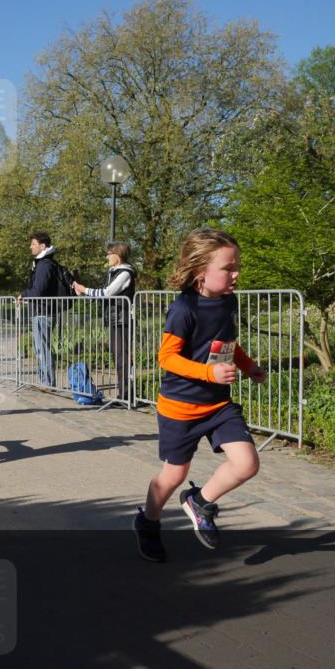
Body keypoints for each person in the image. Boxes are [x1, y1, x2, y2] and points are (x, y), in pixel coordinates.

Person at [133, 228, 268, 563]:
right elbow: (166, 358)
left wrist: (247, 365)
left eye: (237, 266)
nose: (236, 274)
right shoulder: (184, 308)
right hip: (180, 408)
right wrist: (209, 373)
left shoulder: (228, 301)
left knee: (247, 463)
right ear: (199, 272)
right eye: (228, 268)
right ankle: (148, 523)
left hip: (218, 405)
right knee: (174, 475)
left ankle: (201, 502)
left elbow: (226, 344)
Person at [72, 242, 136, 401]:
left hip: (122, 320)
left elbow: (107, 293)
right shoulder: (114, 272)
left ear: (118, 255)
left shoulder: (125, 273)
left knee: (122, 358)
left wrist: (85, 289)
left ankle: (126, 396)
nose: (107, 257)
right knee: (118, 357)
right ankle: (124, 395)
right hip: (115, 319)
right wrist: (85, 294)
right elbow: (104, 296)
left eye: (109, 254)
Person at [18, 232, 64, 390]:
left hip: (44, 312)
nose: (30, 247)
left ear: (43, 246)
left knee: (42, 349)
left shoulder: (44, 265)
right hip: (44, 311)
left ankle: (47, 383)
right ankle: (44, 381)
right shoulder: (45, 263)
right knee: (41, 348)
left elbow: (38, 291)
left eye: (33, 244)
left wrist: (24, 294)